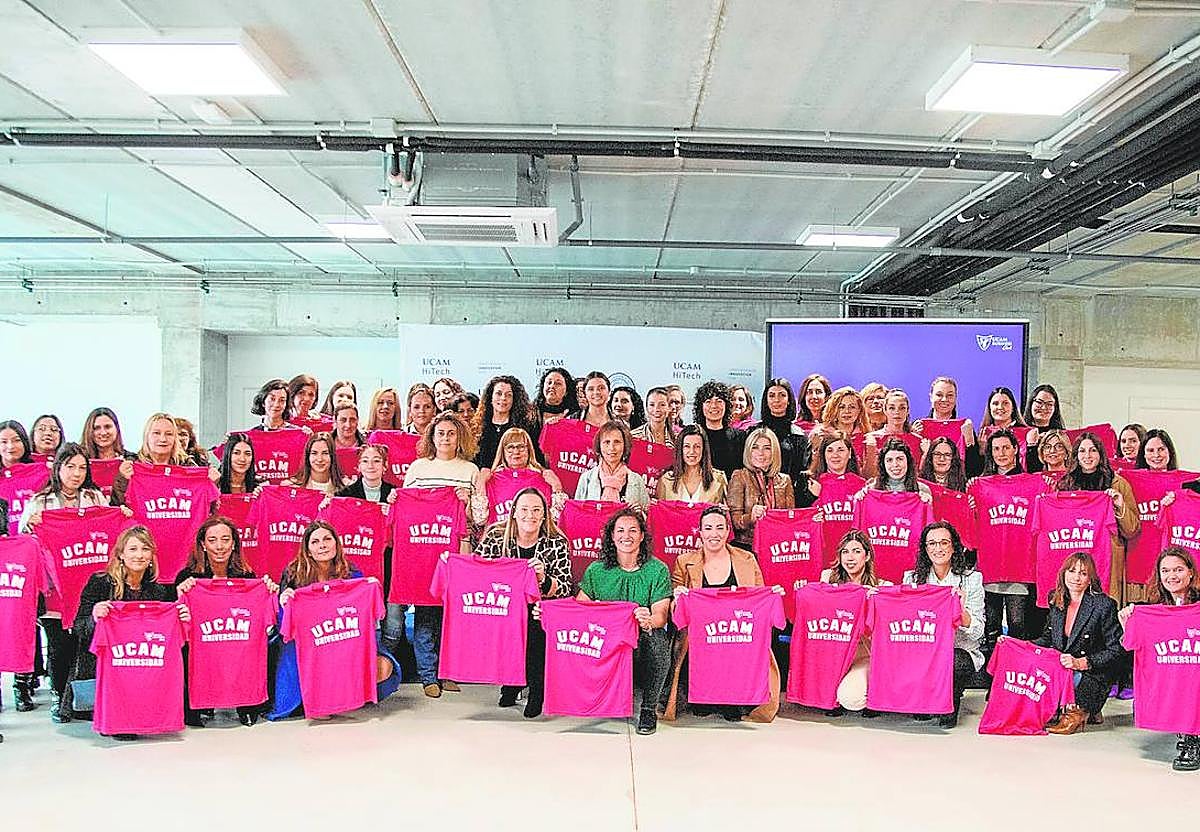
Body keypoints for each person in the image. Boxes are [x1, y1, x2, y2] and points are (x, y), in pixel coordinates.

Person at [18, 444, 113, 721]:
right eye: (70, 466)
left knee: (86, 645)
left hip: (89, 587)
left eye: (82, 467)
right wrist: (30, 525)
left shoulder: (95, 498)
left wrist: (122, 516)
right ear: (57, 468)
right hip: (54, 588)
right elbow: (24, 545)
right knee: (59, 646)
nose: (76, 473)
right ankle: (58, 693)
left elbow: (109, 532)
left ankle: (82, 700)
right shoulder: (40, 501)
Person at [665, 506, 784, 723]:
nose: (714, 534)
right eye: (708, 528)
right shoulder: (684, 561)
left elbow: (758, 597)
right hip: (701, 641)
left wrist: (771, 595)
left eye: (720, 528)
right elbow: (675, 611)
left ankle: (736, 694)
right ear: (699, 532)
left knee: (735, 710)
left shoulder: (746, 558)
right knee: (700, 707)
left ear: (728, 530)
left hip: (738, 639)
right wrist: (679, 596)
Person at [66, 525, 188, 734]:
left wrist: (181, 618)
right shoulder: (100, 583)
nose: (139, 555)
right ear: (120, 554)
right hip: (104, 670)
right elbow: (79, 627)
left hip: (141, 668)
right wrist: (95, 616)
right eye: (132, 549)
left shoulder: (157, 590)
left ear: (152, 556)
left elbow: (169, 635)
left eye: (145, 549)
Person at [274, 521, 399, 719]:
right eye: (315, 542)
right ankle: (322, 697)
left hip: (344, 640)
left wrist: (371, 587)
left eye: (327, 539)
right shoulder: (293, 574)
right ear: (307, 549)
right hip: (310, 645)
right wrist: (284, 601)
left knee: (384, 667)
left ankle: (347, 694)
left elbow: (368, 619)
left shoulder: (352, 573)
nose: (322, 545)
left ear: (336, 543)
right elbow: (285, 627)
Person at [476, 487, 573, 718]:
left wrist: (544, 579)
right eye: (525, 509)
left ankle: (537, 687)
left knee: (536, 623)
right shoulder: (495, 536)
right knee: (508, 625)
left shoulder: (556, 541)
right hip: (502, 604)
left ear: (544, 514)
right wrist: (451, 562)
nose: (530, 515)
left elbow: (565, 588)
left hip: (541, 605)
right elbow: (477, 569)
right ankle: (512, 681)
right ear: (514, 513)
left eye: (536, 510)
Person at [575, 507, 673, 735]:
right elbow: (578, 611)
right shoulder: (596, 570)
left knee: (658, 641)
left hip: (640, 644)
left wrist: (648, 619)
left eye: (632, 530)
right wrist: (548, 612)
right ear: (611, 536)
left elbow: (661, 615)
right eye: (620, 530)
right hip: (607, 645)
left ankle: (648, 708)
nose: (626, 536)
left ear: (641, 536)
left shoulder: (657, 570)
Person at [175, 516, 279, 727]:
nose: (220, 546)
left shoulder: (248, 577)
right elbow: (178, 622)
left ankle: (248, 704)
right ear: (202, 544)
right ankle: (199, 703)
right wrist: (180, 595)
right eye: (212, 540)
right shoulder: (188, 578)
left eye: (225, 539)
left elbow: (265, 620)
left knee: (255, 647)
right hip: (204, 649)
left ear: (234, 544)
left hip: (239, 645)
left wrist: (269, 591)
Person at [403, 412, 478, 698]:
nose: (445, 437)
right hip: (423, 551)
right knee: (426, 612)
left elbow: (478, 516)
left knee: (453, 615)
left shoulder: (470, 470)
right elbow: (407, 511)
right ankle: (427, 675)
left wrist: (466, 501)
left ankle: (448, 672)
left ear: (460, 437)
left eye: (451, 433)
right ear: (431, 437)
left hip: (458, 549)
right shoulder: (418, 469)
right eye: (440, 432)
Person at [1118, 547, 1200, 770]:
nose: (1172, 576)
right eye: (1165, 570)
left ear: (1191, 572)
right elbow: (1128, 646)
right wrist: (1128, 624)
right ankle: (1188, 735)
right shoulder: (1151, 611)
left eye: (1178, 569)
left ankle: (1193, 738)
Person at [902, 522, 984, 728]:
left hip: (958, 650)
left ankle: (949, 703)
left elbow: (978, 632)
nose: (938, 548)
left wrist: (960, 611)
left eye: (944, 542)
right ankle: (924, 697)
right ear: (925, 548)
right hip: (923, 649)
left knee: (956, 661)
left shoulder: (972, 580)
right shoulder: (911, 579)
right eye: (932, 543)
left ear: (954, 546)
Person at [337, 445, 409, 676]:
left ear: (385, 466)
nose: (371, 465)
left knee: (394, 624)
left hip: (390, 568)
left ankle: (383, 666)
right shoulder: (343, 496)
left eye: (376, 461)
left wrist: (394, 511)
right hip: (355, 572)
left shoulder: (396, 495)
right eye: (365, 461)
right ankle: (359, 670)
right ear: (358, 466)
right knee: (357, 623)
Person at [1033, 552, 1124, 734]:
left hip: (1092, 671)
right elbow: (1048, 638)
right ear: (1063, 574)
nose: (1076, 577)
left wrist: (1082, 663)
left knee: (1070, 681)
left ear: (1090, 579)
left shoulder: (1104, 605)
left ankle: (1081, 710)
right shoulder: (1055, 598)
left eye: (1083, 573)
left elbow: (1116, 650)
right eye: (1072, 571)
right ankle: (1089, 711)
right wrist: (1021, 646)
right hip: (1064, 668)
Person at [1057, 432, 1140, 604]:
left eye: (1093, 450)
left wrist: (1119, 505)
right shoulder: (1063, 485)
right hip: (1074, 559)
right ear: (1076, 455)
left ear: (1101, 454)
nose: (1087, 456)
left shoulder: (1118, 483)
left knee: (1104, 613)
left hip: (1107, 559)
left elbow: (1132, 530)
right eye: (1082, 451)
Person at [975, 427, 1033, 650]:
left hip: (1019, 565)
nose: (1001, 453)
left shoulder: (1030, 483)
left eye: (1006, 447)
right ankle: (992, 675)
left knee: (1018, 624)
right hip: (990, 566)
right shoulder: (980, 484)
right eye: (996, 448)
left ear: (1016, 449)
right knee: (991, 625)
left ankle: (1013, 672)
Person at [823, 530, 890, 716]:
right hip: (834, 656)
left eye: (856, 551)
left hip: (864, 656)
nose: (850, 557)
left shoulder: (882, 587)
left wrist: (877, 600)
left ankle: (876, 696)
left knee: (850, 698)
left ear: (867, 556)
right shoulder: (826, 580)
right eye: (845, 552)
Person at [472, 428, 564, 526]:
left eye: (521, 447)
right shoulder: (491, 479)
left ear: (529, 450)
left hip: (533, 539)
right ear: (503, 451)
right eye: (510, 447)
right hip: (499, 539)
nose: (516, 452)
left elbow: (556, 519)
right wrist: (481, 483)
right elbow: (480, 519)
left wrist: (557, 488)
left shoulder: (543, 478)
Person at [728, 427, 795, 548]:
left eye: (767, 448)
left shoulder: (785, 480)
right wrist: (750, 518)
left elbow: (791, 518)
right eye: (755, 447)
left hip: (778, 545)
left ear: (774, 451)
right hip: (748, 546)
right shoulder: (740, 476)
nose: (761, 453)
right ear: (749, 451)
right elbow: (733, 521)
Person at [110, 412, 195, 507]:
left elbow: (205, 505)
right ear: (147, 436)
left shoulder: (187, 466)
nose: (163, 439)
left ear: (175, 439)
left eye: (169, 434)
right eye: (156, 433)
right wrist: (123, 480)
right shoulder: (132, 467)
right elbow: (117, 506)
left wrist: (214, 481)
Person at [753, 377, 814, 504]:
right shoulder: (753, 432)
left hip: (788, 498)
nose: (776, 400)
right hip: (757, 498)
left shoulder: (799, 435)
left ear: (789, 400)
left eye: (782, 395)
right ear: (766, 400)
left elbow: (801, 474)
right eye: (772, 395)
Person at [574, 420, 650, 511]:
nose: (611, 448)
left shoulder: (637, 480)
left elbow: (647, 518)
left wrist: (639, 514)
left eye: (617, 442)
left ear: (625, 446)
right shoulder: (586, 478)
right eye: (607, 442)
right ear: (599, 446)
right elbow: (577, 514)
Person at [472, 375, 538, 470]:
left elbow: (535, 460)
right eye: (499, 393)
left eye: (508, 395)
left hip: (513, 481)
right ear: (490, 397)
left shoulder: (526, 428)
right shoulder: (476, 427)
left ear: (514, 399)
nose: (503, 398)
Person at [863, 389, 925, 481]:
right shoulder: (871, 438)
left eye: (902, 408)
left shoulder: (917, 440)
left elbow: (920, 475)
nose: (897, 412)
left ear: (907, 411)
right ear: (885, 410)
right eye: (892, 408)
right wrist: (871, 449)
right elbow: (867, 476)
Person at [656, 425, 728, 504]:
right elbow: (659, 513)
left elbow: (727, 512)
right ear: (680, 449)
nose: (692, 452)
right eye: (687, 446)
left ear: (704, 449)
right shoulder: (666, 481)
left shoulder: (719, 479)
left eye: (697, 446)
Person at [693, 380, 745, 479]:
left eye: (719, 401)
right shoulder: (693, 436)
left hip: (731, 491)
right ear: (701, 406)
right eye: (708, 401)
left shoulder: (740, 437)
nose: (713, 406)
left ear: (727, 405)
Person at [913, 376, 976, 455]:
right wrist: (913, 438)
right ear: (931, 397)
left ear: (955, 398)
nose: (944, 399)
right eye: (939, 395)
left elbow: (975, 464)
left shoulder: (965, 428)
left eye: (950, 395)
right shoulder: (918, 428)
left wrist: (969, 443)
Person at [971, 386, 1025, 477]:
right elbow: (977, 472)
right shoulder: (982, 434)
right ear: (990, 408)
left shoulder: (1027, 434)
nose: (1000, 407)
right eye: (995, 403)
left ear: (1013, 407)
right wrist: (981, 451)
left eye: (1005, 403)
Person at [810, 387, 869, 459]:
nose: (847, 411)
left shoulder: (867, 437)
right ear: (833, 410)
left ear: (860, 410)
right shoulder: (821, 434)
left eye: (852, 407)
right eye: (842, 407)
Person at [865, 437, 932, 499]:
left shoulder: (922, 490)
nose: (895, 464)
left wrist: (928, 502)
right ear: (883, 464)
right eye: (889, 460)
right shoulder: (871, 490)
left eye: (900, 459)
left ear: (908, 461)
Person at [286, 432, 346, 496]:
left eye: (325, 453)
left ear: (332, 456)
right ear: (307, 456)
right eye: (314, 453)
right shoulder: (290, 487)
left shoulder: (347, 487)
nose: (319, 459)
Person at [1023, 384, 1065, 470]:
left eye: (1049, 404)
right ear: (1031, 403)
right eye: (1039, 402)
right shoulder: (1019, 433)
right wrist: (1031, 445)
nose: (1043, 407)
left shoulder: (1062, 436)